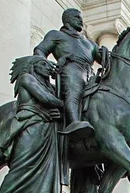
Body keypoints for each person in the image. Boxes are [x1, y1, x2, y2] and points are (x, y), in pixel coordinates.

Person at [0, 56, 63, 193]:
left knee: (50, 174)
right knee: (21, 169)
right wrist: (64, 103)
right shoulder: (27, 78)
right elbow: (46, 99)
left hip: (47, 131)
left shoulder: (50, 86)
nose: (48, 68)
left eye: (48, 65)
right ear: (32, 66)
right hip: (30, 126)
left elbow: (55, 97)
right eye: (43, 64)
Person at [33, 8, 108, 138]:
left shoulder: (89, 43)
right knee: (74, 89)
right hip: (70, 68)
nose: (81, 21)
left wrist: (106, 54)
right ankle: (74, 122)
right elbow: (40, 50)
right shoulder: (56, 35)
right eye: (77, 17)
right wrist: (48, 66)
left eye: (81, 18)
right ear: (67, 20)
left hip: (89, 74)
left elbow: (103, 60)